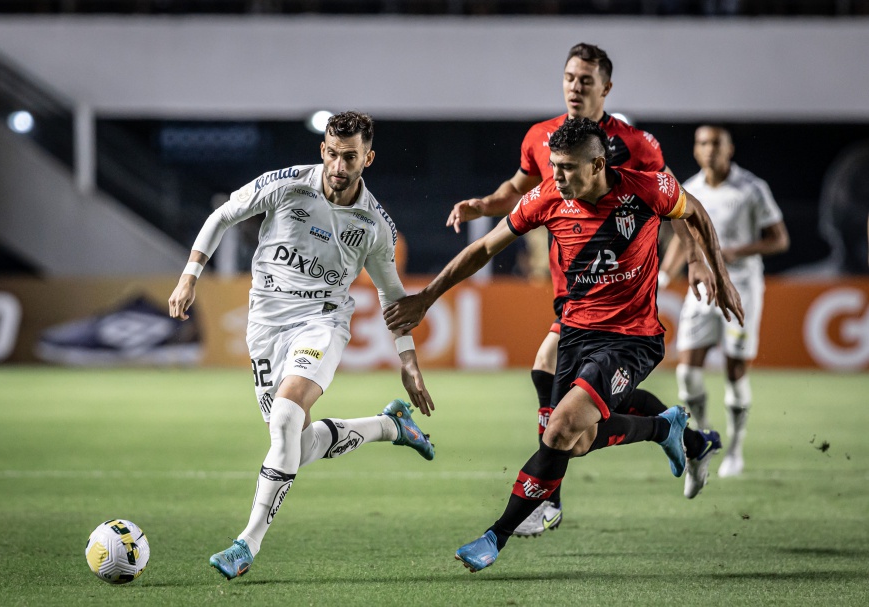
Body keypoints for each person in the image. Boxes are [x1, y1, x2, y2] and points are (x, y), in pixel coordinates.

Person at [384, 118, 743, 572]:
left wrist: (719, 274)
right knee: (576, 443)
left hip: (631, 338)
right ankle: (665, 428)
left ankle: (497, 534)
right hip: (575, 331)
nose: (557, 177)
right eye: (554, 166)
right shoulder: (548, 197)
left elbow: (696, 213)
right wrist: (426, 297)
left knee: (557, 431)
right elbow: (484, 249)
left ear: (598, 164)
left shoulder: (649, 189)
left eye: (568, 169)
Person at [444, 42, 713, 534]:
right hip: (571, 296)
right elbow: (516, 191)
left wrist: (695, 257)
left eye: (586, 80)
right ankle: (676, 434)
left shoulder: (636, 146)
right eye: (569, 77)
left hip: (617, 302)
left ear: (606, 88)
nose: (575, 87)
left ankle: (549, 500)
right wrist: (481, 205)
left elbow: (678, 203)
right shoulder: (543, 137)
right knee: (577, 417)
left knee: (551, 382)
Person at [168, 111, 436, 580]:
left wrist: (408, 361)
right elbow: (222, 215)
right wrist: (190, 275)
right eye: (332, 153)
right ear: (322, 150)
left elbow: (393, 297)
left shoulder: (375, 225)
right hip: (265, 328)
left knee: (288, 417)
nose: (338, 164)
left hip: (322, 324)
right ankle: (388, 427)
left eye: (349, 156)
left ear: (367, 159)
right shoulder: (287, 185)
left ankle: (246, 542)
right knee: (295, 441)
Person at [661, 125, 788, 480]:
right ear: (696, 150)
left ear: (730, 149)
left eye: (716, 144)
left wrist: (735, 251)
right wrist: (663, 277)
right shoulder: (692, 189)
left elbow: (779, 239)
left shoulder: (751, 189)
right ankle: (706, 434)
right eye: (703, 143)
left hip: (742, 287)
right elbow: (681, 239)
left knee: (734, 371)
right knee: (687, 372)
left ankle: (736, 450)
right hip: (702, 289)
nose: (709, 150)